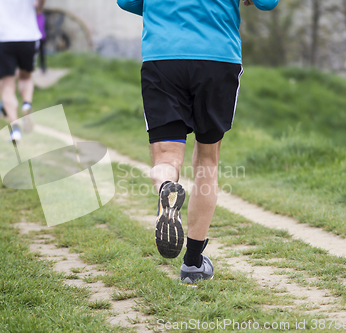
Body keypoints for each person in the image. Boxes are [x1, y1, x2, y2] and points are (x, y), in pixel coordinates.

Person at [117, 0, 279, 284]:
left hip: (163, 56)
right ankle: (193, 263)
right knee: (207, 158)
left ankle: (168, 188)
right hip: (217, 58)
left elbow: (126, 1)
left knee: (166, 156)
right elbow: (268, 3)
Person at [0, 0, 46, 142]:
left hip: (5, 38)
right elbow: (39, 5)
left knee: (7, 85)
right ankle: (27, 104)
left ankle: (15, 129)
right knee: (26, 77)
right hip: (29, 37)